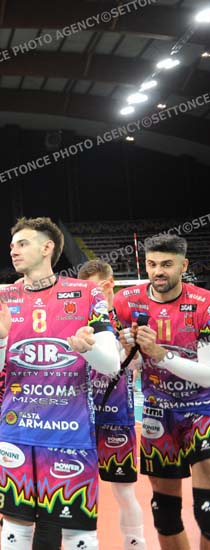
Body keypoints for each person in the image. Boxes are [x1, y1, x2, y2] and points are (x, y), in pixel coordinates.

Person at [0, 217, 119, 550]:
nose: (13, 251)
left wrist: (88, 349)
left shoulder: (86, 293)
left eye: (22, 243)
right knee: (15, 527)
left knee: (78, 532)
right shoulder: (1, 298)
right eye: (12, 245)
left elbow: (111, 364)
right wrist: (0, 338)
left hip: (70, 432)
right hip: (17, 431)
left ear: (47, 247)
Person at [112, 234, 210, 550]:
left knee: (208, 513)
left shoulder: (205, 303)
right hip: (157, 412)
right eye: (152, 264)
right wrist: (127, 349)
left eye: (167, 264)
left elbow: (209, 374)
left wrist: (160, 354)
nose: (158, 272)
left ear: (184, 266)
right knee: (165, 515)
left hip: (203, 409)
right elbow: (126, 366)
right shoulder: (126, 301)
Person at [78, 260, 146, 549]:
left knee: (124, 493)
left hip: (116, 417)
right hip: (79, 418)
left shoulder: (126, 319)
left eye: (95, 287)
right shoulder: (77, 317)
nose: (91, 293)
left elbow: (138, 364)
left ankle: (136, 543)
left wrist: (131, 349)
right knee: (78, 491)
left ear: (109, 284)